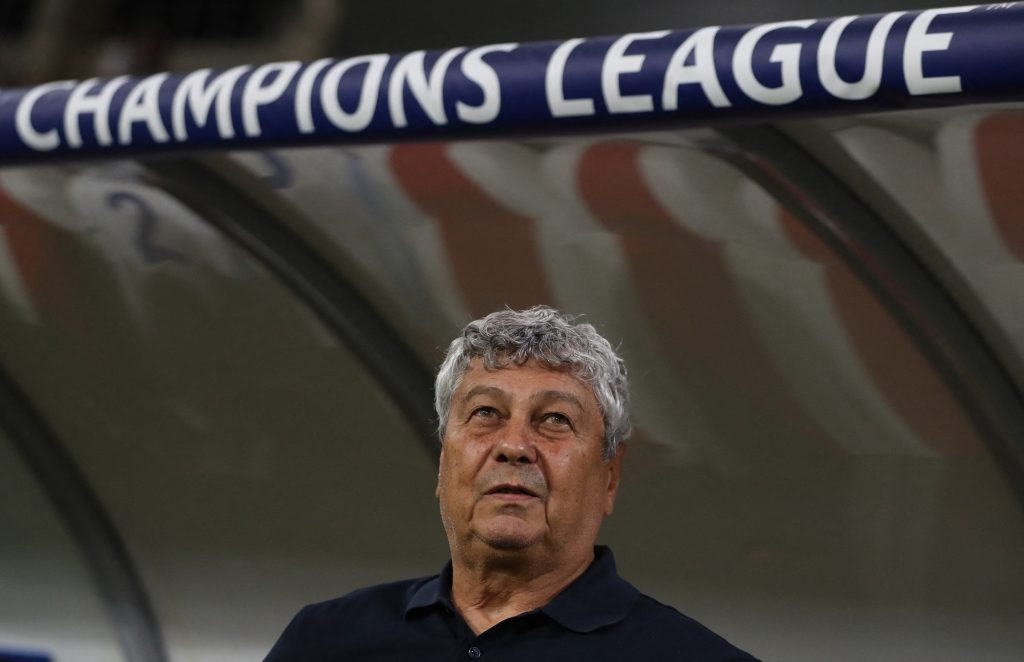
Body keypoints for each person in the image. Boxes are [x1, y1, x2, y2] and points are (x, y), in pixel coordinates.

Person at [264, 306, 757, 660]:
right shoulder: (324, 641)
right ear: (444, 462)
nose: (514, 445)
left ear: (610, 476)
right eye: (486, 413)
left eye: (555, 420)